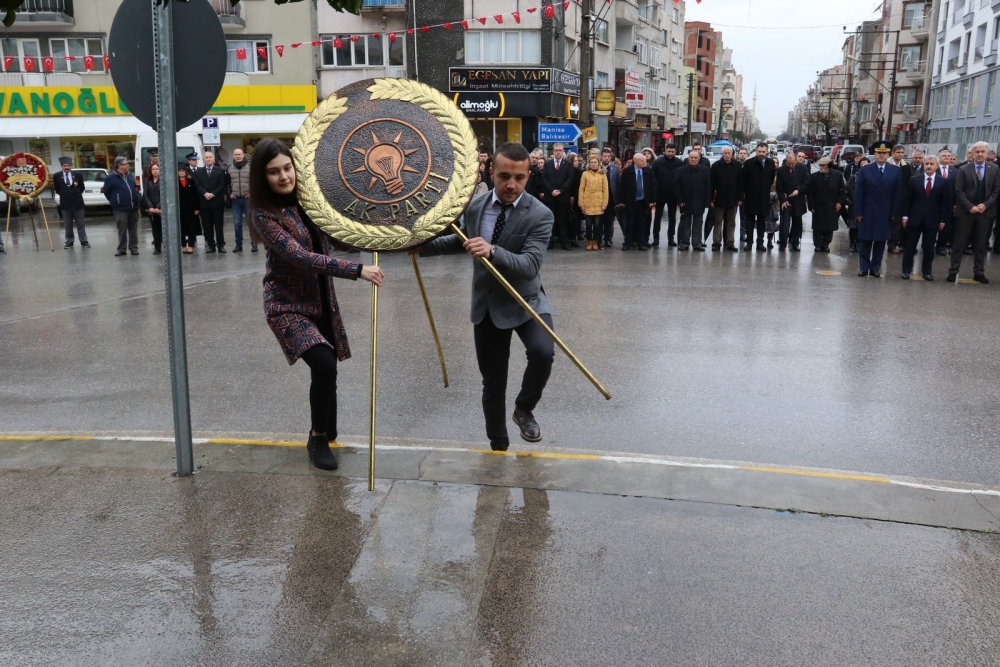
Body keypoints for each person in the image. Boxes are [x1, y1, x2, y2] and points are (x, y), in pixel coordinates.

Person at [248, 138, 384, 470]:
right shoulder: (264, 216)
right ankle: (318, 437)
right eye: (273, 172)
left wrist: (386, 231)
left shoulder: (309, 203)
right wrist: (357, 270)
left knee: (329, 367)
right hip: (286, 305)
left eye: (287, 168)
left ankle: (327, 427)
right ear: (261, 177)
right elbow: (300, 256)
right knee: (323, 363)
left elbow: (340, 233)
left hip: (321, 299)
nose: (283, 177)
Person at [418, 142, 554, 451]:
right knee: (493, 382)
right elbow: (462, 240)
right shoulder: (477, 206)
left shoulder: (540, 214)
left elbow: (530, 266)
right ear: (490, 171)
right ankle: (498, 445)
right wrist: (421, 246)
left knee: (543, 353)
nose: (511, 184)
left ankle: (524, 409)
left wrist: (493, 250)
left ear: (528, 176)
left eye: (519, 178)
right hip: (488, 305)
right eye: (504, 176)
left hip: (527, 300)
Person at [948, 141, 1000, 283]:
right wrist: (970, 206)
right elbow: (959, 190)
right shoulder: (964, 169)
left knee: (981, 244)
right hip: (965, 212)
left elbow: (996, 190)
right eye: (977, 152)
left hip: (985, 213)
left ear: (987, 153)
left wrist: (985, 205)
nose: (980, 154)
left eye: (983, 152)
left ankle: (979, 272)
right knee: (959, 243)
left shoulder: (994, 169)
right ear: (972, 153)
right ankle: (953, 271)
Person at [853, 140, 901, 277]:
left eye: (884, 153)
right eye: (879, 153)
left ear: (889, 154)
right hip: (867, 212)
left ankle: (875, 267)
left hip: (885, 212)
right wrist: (858, 211)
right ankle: (863, 267)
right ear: (874, 153)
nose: (881, 155)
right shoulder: (865, 170)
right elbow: (859, 192)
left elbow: (897, 194)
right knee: (865, 241)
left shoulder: (896, 171)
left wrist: (894, 213)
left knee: (880, 242)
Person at [899, 154, 949, 281]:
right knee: (910, 246)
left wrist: (943, 219)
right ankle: (906, 271)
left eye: (932, 164)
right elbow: (907, 200)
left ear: (937, 166)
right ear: (923, 165)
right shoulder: (915, 180)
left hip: (932, 220)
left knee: (928, 248)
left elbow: (944, 203)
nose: (929, 166)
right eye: (926, 164)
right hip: (914, 218)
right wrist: (905, 216)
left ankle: (926, 272)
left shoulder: (942, 182)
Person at [102, 156, 142, 257]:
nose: (128, 165)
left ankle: (133, 247)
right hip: (120, 209)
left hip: (133, 207)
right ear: (119, 165)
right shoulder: (110, 178)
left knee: (133, 229)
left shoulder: (130, 176)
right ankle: (121, 249)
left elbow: (135, 188)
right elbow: (107, 192)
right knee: (122, 229)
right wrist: (115, 201)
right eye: (126, 164)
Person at [806, 157, 846, 253]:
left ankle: (826, 245)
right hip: (818, 205)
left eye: (823, 165)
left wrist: (839, 202)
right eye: (820, 165)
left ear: (829, 165)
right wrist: (811, 206)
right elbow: (810, 192)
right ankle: (818, 245)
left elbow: (842, 191)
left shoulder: (838, 175)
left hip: (832, 205)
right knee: (818, 227)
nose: (821, 167)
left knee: (830, 227)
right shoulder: (814, 176)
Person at [618, 152, 656, 251]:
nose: (644, 162)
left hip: (643, 202)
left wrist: (652, 200)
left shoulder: (648, 171)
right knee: (630, 223)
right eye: (642, 161)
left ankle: (641, 243)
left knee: (642, 224)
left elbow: (652, 186)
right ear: (635, 161)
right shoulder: (627, 171)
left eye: (645, 160)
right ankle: (628, 243)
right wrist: (621, 201)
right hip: (631, 202)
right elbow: (622, 187)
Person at [742, 143, 776, 251]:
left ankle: (760, 243)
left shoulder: (770, 163)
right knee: (749, 222)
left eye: (763, 151)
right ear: (756, 151)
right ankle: (749, 243)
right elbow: (744, 181)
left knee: (762, 222)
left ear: (767, 152)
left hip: (763, 198)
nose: (761, 154)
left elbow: (771, 179)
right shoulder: (749, 163)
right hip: (751, 197)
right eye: (759, 151)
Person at [676, 149, 712, 251]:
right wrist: (680, 200)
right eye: (691, 157)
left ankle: (697, 243)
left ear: (699, 159)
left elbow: (708, 187)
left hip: (699, 202)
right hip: (685, 202)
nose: (693, 159)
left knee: (698, 223)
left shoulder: (705, 170)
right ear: (688, 158)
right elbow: (677, 186)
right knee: (686, 223)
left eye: (695, 158)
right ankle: (685, 243)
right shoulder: (681, 170)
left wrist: (707, 202)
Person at [541, 143, 575, 250]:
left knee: (562, 221)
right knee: (551, 221)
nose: (558, 152)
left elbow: (570, 179)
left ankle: (564, 243)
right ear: (553, 152)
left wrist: (560, 190)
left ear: (563, 151)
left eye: (560, 150)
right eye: (556, 150)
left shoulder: (568, 164)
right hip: (550, 197)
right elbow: (544, 179)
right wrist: (551, 190)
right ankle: (549, 243)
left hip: (563, 197)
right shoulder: (548, 164)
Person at [708, 146, 741, 251]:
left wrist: (740, 198)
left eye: (729, 153)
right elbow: (711, 184)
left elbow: (741, 183)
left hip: (733, 199)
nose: (727, 155)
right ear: (722, 154)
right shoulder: (716, 166)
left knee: (731, 222)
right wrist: (711, 199)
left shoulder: (737, 165)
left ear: (732, 154)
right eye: (725, 153)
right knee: (718, 221)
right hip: (719, 199)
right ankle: (716, 242)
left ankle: (730, 242)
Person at [194, 151, 228, 253]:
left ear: (213, 159)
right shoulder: (198, 172)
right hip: (204, 203)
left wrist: (212, 194)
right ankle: (210, 245)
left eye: (210, 157)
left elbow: (222, 185)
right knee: (207, 226)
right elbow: (198, 185)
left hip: (217, 202)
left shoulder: (220, 171)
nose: (208, 159)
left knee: (219, 225)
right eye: (206, 157)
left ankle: (221, 245)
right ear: (203, 160)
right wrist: (205, 194)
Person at [52, 156, 88, 250]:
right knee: (68, 225)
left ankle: (84, 241)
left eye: (68, 165)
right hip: (65, 204)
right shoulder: (57, 176)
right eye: (65, 166)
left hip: (78, 203)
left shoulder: (78, 175)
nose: (66, 167)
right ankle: (69, 241)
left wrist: (74, 194)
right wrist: (66, 194)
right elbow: (57, 189)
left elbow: (82, 187)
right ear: (62, 166)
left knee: (80, 224)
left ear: (71, 166)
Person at [776, 151, 809, 251]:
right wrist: (783, 200)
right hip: (786, 200)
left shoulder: (802, 168)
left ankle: (795, 243)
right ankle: (783, 243)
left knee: (797, 224)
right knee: (784, 224)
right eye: (789, 163)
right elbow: (779, 187)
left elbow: (807, 182)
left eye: (793, 163)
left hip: (798, 200)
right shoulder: (781, 170)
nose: (791, 165)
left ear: (796, 161)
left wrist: (799, 190)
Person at [651, 144, 682, 247]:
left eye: (672, 152)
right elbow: (652, 179)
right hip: (660, 194)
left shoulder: (679, 163)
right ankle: (656, 238)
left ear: (675, 152)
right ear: (665, 151)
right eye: (669, 151)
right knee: (657, 217)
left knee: (672, 217)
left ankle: (671, 238)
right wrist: (653, 195)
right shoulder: (658, 163)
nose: (670, 154)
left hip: (673, 195)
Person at [227, 148, 256, 253]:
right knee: (237, 223)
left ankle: (254, 243)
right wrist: (229, 193)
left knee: (250, 222)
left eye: (239, 154)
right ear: (233, 156)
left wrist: (252, 192)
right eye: (236, 154)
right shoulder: (229, 168)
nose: (238, 156)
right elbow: (227, 183)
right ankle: (238, 245)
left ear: (243, 155)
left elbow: (255, 182)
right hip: (235, 200)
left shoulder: (251, 168)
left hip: (247, 199)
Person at [578, 155, 608, 250]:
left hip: (598, 202)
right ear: (589, 164)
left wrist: (604, 203)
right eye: (592, 162)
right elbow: (581, 189)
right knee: (588, 224)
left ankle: (596, 242)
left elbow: (605, 190)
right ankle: (589, 241)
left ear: (598, 163)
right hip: (588, 201)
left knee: (597, 224)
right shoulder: (585, 174)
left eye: (595, 162)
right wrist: (581, 203)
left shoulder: (603, 174)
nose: (593, 164)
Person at [887, 144, 913, 254]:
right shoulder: (886, 164)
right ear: (892, 153)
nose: (900, 154)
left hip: (900, 198)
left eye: (902, 152)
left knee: (896, 224)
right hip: (886, 197)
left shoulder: (906, 166)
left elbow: (908, 183)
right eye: (898, 152)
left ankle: (892, 245)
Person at [935, 149, 958, 256]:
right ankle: (929, 244)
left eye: (949, 156)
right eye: (944, 156)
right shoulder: (934, 169)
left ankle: (941, 246)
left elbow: (958, 189)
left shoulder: (955, 172)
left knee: (946, 226)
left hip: (949, 204)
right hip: (935, 203)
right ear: (939, 157)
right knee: (933, 225)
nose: (947, 157)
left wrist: (956, 203)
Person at [845, 156, 870, 253]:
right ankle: (852, 243)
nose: (864, 167)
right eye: (862, 165)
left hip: (866, 207)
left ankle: (860, 244)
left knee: (862, 227)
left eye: (866, 165)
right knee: (853, 227)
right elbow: (847, 190)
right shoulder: (854, 177)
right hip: (854, 206)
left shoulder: (872, 177)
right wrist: (850, 202)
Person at [177, 162, 202, 254]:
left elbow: (196, 195)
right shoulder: (175, 183)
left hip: (190, 208)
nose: (181, 172)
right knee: (181, 227)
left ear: (186, 172)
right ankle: (183, 245)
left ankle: (191, 245)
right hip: (179, 209)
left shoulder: (191, 182)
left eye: (183, 171)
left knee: (192, 227)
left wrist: (197, 208)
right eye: (179, 171)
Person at [600, 148, 621, 249]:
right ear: (601, 157)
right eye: (605, 156)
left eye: (608, 157)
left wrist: (619, 200)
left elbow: (618, 184)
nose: (607, 158)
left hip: (611, 199)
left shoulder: (615, 168)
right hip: (598, 198)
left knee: (609, 221)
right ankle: (598, 239)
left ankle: (608, 239)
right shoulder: (596, 166)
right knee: (598, 221)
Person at [141, 163, 163, 255]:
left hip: (161, 209)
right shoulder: (147, 180)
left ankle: (166, 247)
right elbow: (145, 194)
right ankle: (157, 248)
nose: (155, 171)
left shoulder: (163, 180)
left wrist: (158, 207)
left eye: (157, 169)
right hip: (151, 210)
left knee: (163, 229)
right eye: (153, 169)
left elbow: (164, 195)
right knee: (155, 229)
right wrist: (150, 207)